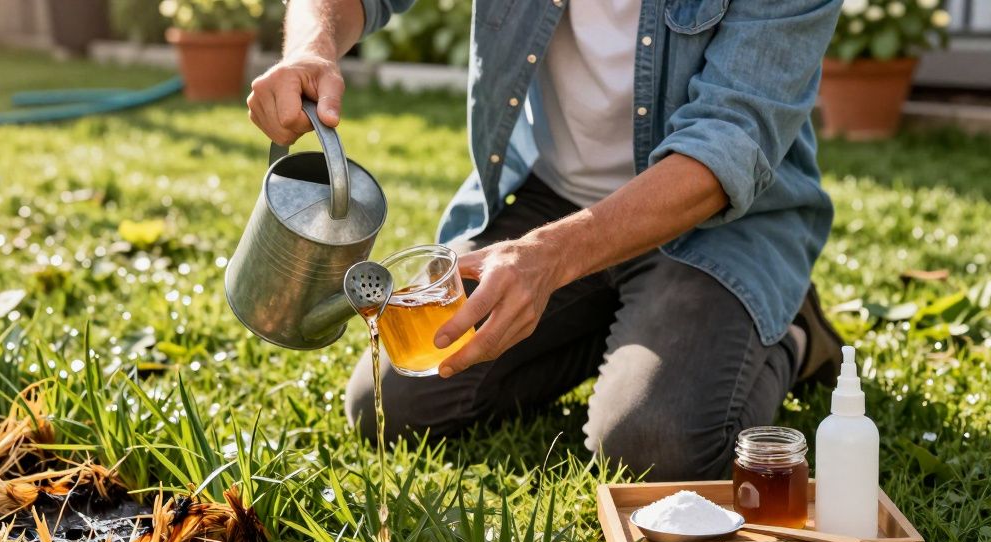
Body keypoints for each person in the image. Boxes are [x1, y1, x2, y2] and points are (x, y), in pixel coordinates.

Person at [246, 0, 846, 481]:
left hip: (710, 223)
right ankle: (622, 317)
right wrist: (310, 48)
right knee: (396, 404)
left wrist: (552, 260)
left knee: (650, 447)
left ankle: (793, 334)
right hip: (550, 202)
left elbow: (728, 147)